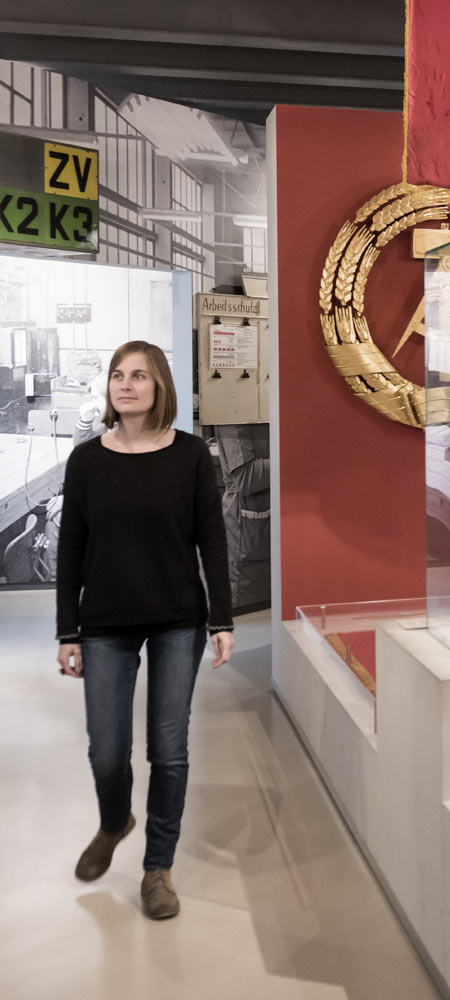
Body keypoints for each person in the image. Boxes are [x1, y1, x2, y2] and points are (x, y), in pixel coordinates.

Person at [55, 340, 234, 921]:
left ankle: (158, 868)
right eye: (117, 375)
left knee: (169, 749)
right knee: (107, 752)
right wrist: (68, 631)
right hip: (105, 622)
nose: (124, 385)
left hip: (177, 619)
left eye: (139, 376)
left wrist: (222, 619)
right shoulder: (86, 461)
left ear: (160, 388)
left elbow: (212, 538)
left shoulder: (189, 456)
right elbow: (71, 550)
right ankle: (114, 822)